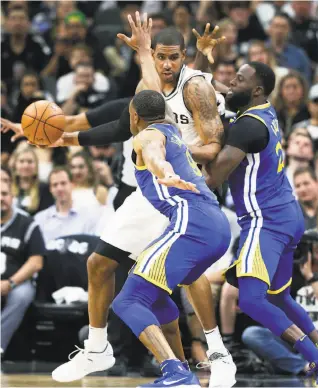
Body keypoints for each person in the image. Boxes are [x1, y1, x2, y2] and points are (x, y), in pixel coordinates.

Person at [51, 15, 236, 387]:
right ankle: (99, 348)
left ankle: (217, 354)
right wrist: (62, 139)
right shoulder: (148, 90)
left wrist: (172, 156)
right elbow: (122, 125)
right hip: (151, 190)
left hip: (184, 187)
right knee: (101, 264)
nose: (165, 64)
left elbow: (214, 146)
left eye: (173, 57)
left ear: (183, 58)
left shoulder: (196, 87)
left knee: (183, 277)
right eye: (159, 57)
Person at [204, 62, 318, 386]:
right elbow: (227, 93)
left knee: (251, 300)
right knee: (279, 298)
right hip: (287, 215)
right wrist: (206, 75)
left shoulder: (246, 128)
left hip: (266, 221)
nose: (230, 82)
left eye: (238, 79)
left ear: (257, 89)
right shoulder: (265, 110)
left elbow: (213, 178)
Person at [112, 89, 231, 388]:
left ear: (134, 115)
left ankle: (177, 374)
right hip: (215, 225)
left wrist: (163, 170)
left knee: (127, 301)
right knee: (151, 289)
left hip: (192, 224)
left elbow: (153, 153)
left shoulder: (146, 136)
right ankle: (181, 368)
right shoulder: (173, 131)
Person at [242, 227, 318, 375]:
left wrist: (310, 277)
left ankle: (293, 362)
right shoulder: (289, 272)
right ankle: (303, 365)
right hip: (290, 335)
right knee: (251, 333)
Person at [1, 180, 45, 355]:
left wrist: (10, 283)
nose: (0, 198)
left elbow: (36, 262)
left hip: (17, 282)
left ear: (12, 197)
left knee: (21, 295)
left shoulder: (27, 224)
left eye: (4, 194)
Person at [35, 166, 99, 242]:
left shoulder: (88, 216)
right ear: (50, 189)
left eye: (63, 183)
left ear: (72, 185)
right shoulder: (40, 219)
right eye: (55, 185)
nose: (59, 188)